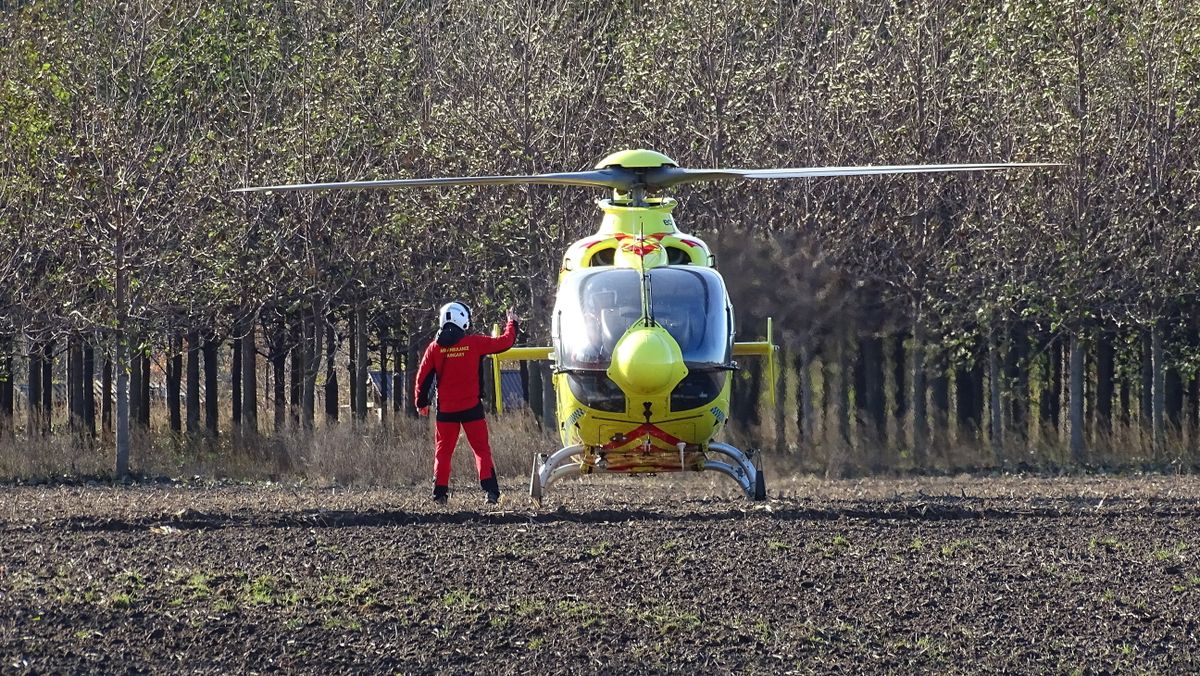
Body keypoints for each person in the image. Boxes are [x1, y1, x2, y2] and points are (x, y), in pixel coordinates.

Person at [415, 301, 518, 504]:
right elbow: (505, 342)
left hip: (446, 410)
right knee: (481, 450)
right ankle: (491, 493)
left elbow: (422, 378)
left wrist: (421, 402)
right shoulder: (474, 343)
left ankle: (439, 494)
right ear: (462, 319)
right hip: (472, 408)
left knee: (443, 452)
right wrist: (512, 323)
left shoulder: (434, 348)